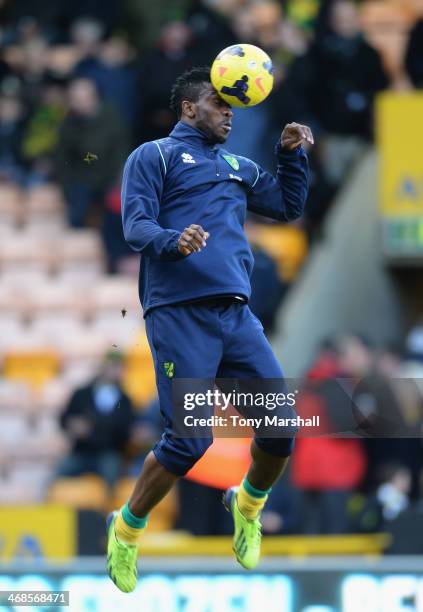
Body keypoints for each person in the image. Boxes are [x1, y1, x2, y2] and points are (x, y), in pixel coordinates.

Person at [106, 66, 312, 593]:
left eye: (232, 107)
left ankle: (246, 504)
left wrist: (291, 156)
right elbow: (135, 227)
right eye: (219, 105)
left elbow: (288, 206)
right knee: (188, 442)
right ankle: (126, 530)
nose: (229, 113)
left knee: (281, 429)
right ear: (189, 108)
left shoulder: (238, 164)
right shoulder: (154, 156)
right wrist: (176, 241)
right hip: (179, 313)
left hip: (235, 316)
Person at [56, 351, 136, 487]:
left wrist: (91, 428)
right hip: (81, 452)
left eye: (118, 367)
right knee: (56, 477)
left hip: (108, 454)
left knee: (111, 481)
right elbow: (64, 419)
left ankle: (108, 508)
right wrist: (72, 425)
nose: (114, 370)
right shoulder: (82, 393)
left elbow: (125, 431)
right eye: (111, 366)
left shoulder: (125, 400)